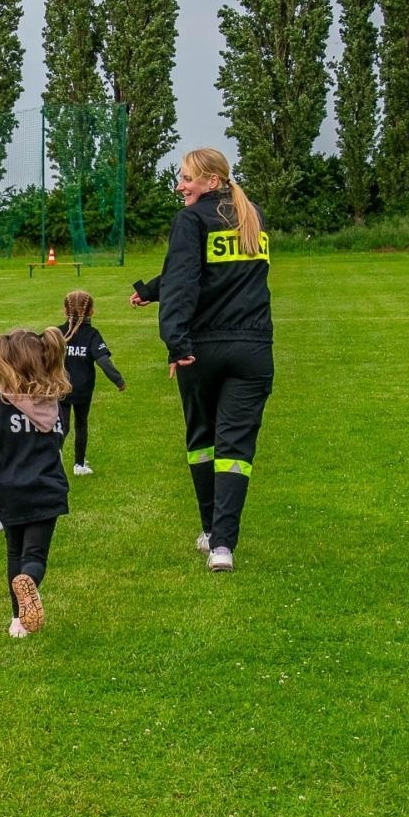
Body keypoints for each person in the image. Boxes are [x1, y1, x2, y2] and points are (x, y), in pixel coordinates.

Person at [130, 147, 272, 572]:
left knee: (202, 442)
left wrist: (176, 345)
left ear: (212, 181)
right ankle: (222, 546)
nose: (180, 186)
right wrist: (151, 289)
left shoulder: (189, 220)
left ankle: (210, 529)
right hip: (253, 350)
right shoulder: (252, 216)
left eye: (186, 178)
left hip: (203, 349)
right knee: (236, 450)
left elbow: (184, 282)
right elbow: (204, 269)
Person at [0, 328, 71, 638]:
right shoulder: (55, 403)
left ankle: (18, 621)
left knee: (14, 553)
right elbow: (60, 440)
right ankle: (30, 581)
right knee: (34, 556)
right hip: (46, 490)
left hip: (9, 491)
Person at [59, 289, 126, 476]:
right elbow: (103, 361)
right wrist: (118, 380)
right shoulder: (92, 334)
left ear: (65, 311)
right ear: (91, 311)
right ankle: (79, 465)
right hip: (83, 389)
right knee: (81, 425)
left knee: (61, 427)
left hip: (60, 388)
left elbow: (40, 353)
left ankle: (53, 461)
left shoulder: (57, 333)